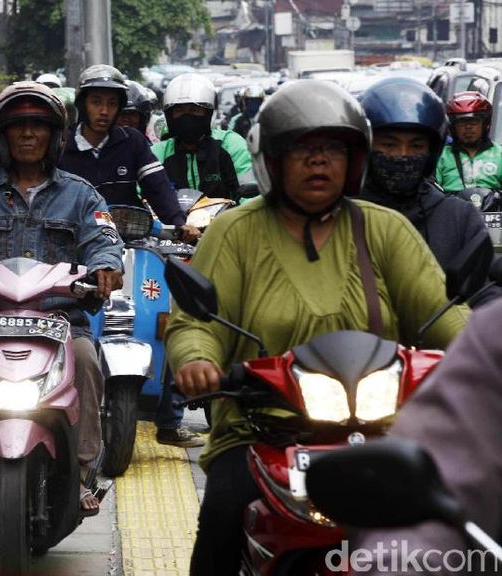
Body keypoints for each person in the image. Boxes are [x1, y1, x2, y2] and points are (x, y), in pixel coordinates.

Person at [165, 80, 467, 576]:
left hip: (381, 427)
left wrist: (480, 356)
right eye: (303, 149)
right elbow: (197, 321)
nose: (319, 161)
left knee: (460, 518)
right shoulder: (235, 231)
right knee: (223, 509)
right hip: (261, 428)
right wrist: (198, 362)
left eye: (332, 150)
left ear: (353, 160)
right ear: (273, 160)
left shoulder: (384, 228)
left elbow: (439, 312)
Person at [0, 81, 124, 521]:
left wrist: (106, 264)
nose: (28, 135)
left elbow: (104, 237)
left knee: (88, 364)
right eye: (18, 127)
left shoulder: (80, 194)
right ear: (1, 136)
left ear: (54, 136)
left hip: (61, 320)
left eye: (37, 126)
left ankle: (84, 474)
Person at [351, 301, 502, 575]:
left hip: (378, 403)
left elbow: (434, 303)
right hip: (269, 413)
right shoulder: (494, 336)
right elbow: (445, 466)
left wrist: (456, 338)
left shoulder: (375, 254)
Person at [358, 78, 499, 307]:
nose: (403, 155)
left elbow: (482, 290)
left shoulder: (457, 218)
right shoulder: (343, 214)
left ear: (431, 152)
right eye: (390, 145)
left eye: (416, 146)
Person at [57, 64, 199, 241]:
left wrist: (179, 222)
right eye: (96, 102)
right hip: (75, 242)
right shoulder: (61, 147)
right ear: (82, 104)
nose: (104, 111)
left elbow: (157, 186)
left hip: (130, 240)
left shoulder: (133, 140)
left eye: (112, 103)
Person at [151, 73, 256, 202]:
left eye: (194, 110)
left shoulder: (230, 144)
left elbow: (249, 194)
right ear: (170, 116)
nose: (187, 117)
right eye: (179, 111)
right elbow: (141, 192)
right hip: (172, 221)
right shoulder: (158, 152)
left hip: (225, 220)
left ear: (208, 114)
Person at [436, 91, 502, 194]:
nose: (468, 128)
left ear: (485, 124)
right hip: (452, 209)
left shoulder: (499, 154)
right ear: (453, 127)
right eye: (461, 123)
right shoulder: (441, 156)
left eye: (473, 122)